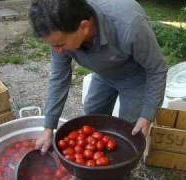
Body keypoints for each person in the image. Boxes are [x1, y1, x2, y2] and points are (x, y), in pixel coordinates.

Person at [28, 0, 167, 153]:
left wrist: (147, 114)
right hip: (104, 73)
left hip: (136, 77)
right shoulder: (60, 30)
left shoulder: (130, 26)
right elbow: (59, 78)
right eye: (53, 45)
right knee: (93, 112)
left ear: (84, 27)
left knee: (129, 130)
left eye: (60, 45)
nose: (58, 51)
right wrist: (49, 127)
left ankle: (121, 167)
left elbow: (157, 69)